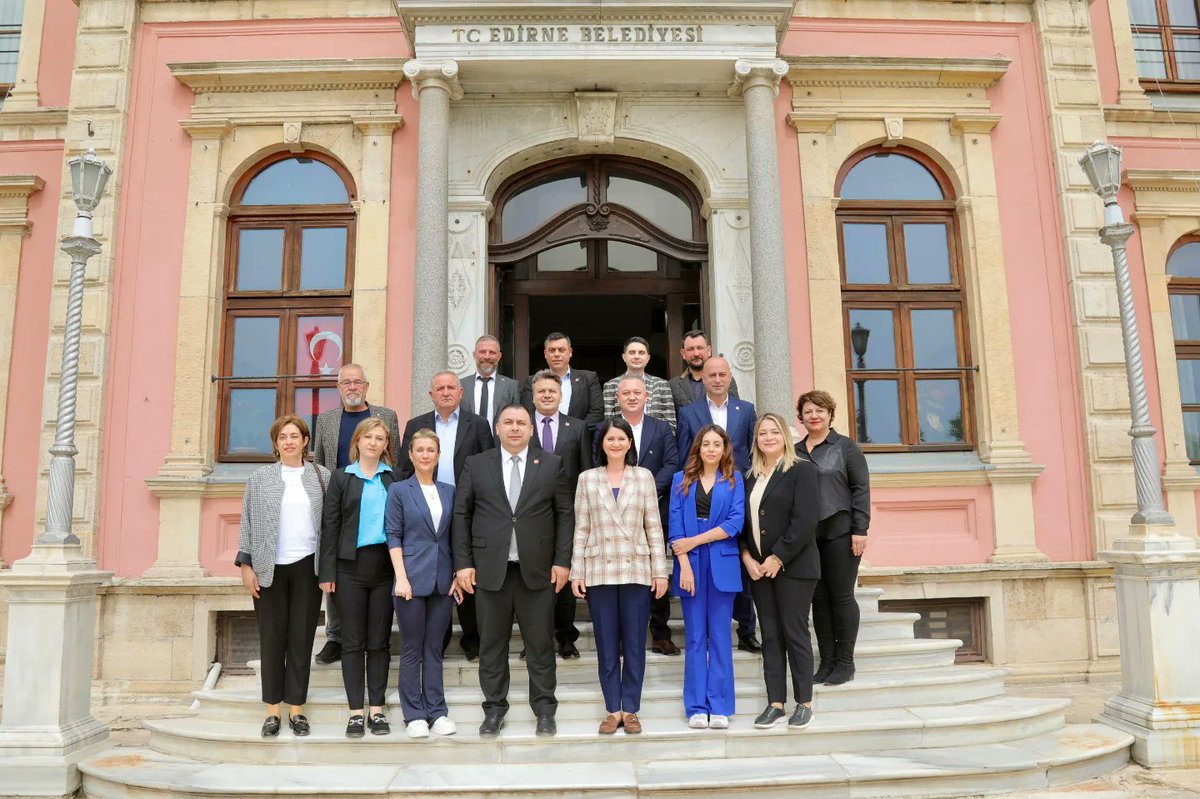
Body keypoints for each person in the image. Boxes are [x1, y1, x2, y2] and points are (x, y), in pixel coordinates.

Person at [452, 404, 574, 738]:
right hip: (490, 571)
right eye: (508, 422)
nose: (515, 428)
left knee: (540, 644)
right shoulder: (477, 465)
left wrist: (563, 561)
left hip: (538, 571)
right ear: (497, 427)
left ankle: (545, 709)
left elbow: (565, 514)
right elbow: (461, 515)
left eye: (522, 423)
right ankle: (493, 710)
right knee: (491, 645)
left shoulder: (551, 464)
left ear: (532, 430)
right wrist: (463, 563)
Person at [571, 418, 669, 735]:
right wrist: (577, 570)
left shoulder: (643, 477)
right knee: (607, 643)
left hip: (636, 570)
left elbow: (653, 527)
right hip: (599, 569)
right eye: (610, 438)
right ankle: (613, 710)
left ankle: (632, 709)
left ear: (630, 444)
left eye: (621, 439)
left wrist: (660, 571)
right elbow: (581, 528)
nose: (615, 443)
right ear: (601, 443)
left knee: (636, 643)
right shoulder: (587, 479)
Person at [235, 415, 330, 738]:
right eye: (282, 437)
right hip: (268, 568)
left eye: (295, 436)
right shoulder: (259, 479)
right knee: (272, 640)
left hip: (307, 566)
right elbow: (246, 522)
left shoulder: (322, 477)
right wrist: (246, 565)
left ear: (305, 441)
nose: (289, 441)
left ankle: (297, 709)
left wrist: (329, 570)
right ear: (275, 444)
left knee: (301, 640)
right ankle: (273, 711)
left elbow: (330, 526)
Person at [397, 370, 495, 660]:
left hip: (467, 509)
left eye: (451, 387)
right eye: (439, 388)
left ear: (461, 392)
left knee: (466, 569)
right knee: (435, 569)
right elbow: (404, 467)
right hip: (427, 509)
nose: (446, 392)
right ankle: (436, 639)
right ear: (431, 395)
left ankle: (472, 638)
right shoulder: (417, 424)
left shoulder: (477, 425)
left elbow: (489, 465)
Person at [311, 363, 401, 666]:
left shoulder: (386, 416)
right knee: (337, 568)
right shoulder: (325, 420)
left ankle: (375, 634)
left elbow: (394, 458)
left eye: (357, 382)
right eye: (346, 382)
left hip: (376, 499)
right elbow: (320, 464)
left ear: (366, 386)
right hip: (340, 500)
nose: (352, 387)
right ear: (338, 387)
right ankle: (336, 637)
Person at [319, 418, 399, 737]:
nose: (373, 443)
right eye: (368, 436)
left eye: (380, 438)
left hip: (384, 568)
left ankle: (377, 710)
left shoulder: (394, 479)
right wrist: (326, 571)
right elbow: (331, 525)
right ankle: (355, 712)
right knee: (352, 642)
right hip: (348, 568)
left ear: (385, 446)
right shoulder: (342, 478)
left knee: (379, 642)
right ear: (357, 441)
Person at [742, 413, 822, 731]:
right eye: (763, 433)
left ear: (785, 437)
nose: (769, 437)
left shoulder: (802, 469)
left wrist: (778, 557)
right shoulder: (750, 475)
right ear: (756, 440)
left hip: (794, 568)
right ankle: (775, 703)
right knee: (771, 636)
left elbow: (805, 520)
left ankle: (804, 704)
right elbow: (745, 525)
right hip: (759, 571)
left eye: (775, 432)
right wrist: (747, 557)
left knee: (795, 633)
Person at [676, 356, 760, 653]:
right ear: (703, 379)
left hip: (737, 493)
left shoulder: (746, 410)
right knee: (708, 558)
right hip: (702, 492)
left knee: (739, 554)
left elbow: (754, 452)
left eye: (722, 374)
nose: (717, 379)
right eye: (711, 375)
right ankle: (709, 630)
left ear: (729, 377)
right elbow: (684, 453)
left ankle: (747, 629)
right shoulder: (689, 412)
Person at [385, 429, 462, 739]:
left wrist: (457, 573)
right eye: (420, 450)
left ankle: (437, 712)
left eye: (431, 450)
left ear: (438, 455)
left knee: (434, 649)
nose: (426, 455)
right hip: (411, 582)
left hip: (443, 581)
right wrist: (401, 578)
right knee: (412, 649)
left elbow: (455, 537)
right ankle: (414, 714)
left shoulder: (449, 491)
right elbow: (394, 535)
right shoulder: (400, 490)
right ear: (412, 455)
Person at [668, 424, 745, 730]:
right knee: (696, 637)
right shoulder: (680, 481)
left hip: (722, 565)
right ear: (698, 448)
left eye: (717, 444)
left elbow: (735, 523)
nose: (711, 449)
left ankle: (721, 706)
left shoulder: (734, 480)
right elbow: (676, 529)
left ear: (725, 448)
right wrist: (683, 565)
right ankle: (697, 707)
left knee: (721, 637)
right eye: (706, 444)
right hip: (691, 566)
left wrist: (695, 541)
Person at [598, 375, 680, 655]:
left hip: (653, 507)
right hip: (613, 514)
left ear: (647, 398)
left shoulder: (661, 428)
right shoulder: (607, 429)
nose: (632, 397)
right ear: (617, 398)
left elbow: (672, 462)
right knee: (620, 577)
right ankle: (621, 637)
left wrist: (647, 489)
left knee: (656, 568)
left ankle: (660, 633)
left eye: (637, 393)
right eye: (626, 393)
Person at [795, 390, 871, 686]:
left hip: (841, 531)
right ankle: (826, 662)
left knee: (840, 597)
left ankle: (845, 662)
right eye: (809, 411)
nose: (814, 416)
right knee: (818, 599)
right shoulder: (796, 450)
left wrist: (860, 529)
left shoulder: (846, 447)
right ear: (800, 417)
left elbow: (861, 488)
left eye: (820, 411)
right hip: (808, 537)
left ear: (830, 414)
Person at [528, 369, 592, 659]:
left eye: (551, 391)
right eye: (541, 391)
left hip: (569, 512)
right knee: (534, 580)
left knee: (565, 578)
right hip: (529, 514)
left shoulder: (576, 427)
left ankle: (566, 638)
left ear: (560, 395)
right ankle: (536, 641)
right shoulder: (520, 425)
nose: (546, 395)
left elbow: (586, 470)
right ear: (533, 396)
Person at [520, 332, 604, 433]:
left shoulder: (589, 378)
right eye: (552, 350)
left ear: (570, 352)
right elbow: (527, 413)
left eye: (561, 350)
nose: (556, 354)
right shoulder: (531, 381)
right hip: (543, 439)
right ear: (545, 353)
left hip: (578, 442)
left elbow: (597, 413)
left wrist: (573, 432)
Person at [600, 336, 677, 431]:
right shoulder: (610, 386)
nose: (636, 356)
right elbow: (607, 423)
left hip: (655, 443)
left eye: (641, 353)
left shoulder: (661, 385)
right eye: (632, 352)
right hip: (622, 442)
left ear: (648, 358)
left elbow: (671, 425)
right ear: (624, 357)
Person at [668, 329, 740, 415]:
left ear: (709, 350)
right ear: (683, 353)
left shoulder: (724, 380)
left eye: (700, 348)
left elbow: (735, 413)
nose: (696, 353)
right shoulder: (673, 385)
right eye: (690, 349)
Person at [460, 334, 521, 429]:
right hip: (468, 442)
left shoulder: (511, 386)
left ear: (499, 356)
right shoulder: (461, 385)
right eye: (482, 352)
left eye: (492, 352)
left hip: (499, 442)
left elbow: (517, 417)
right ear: (474, 355)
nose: (487, 357)